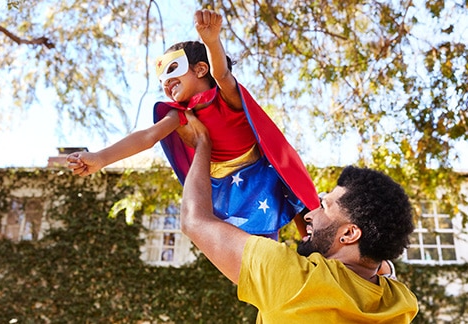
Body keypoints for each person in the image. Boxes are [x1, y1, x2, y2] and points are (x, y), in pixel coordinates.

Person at [67, 9, 319, 239]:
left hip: (263, 169)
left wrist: (211, 40)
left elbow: (220, 73)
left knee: (304, 210)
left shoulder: (226, 97)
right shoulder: (181, 116)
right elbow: (148, 136)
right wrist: (101, 158)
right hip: (230, 186)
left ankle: (317, 247)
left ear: (200, 69)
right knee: (258, 245)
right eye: (161, 82)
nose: (166, 83)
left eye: (172, 71)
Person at [177, 112, 418, 323]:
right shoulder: (399, 303)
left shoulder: (292, 277)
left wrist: (202, 144)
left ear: (349, 233)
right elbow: (380, 265)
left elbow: (194, 220)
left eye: (323, 206)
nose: (310, 213)